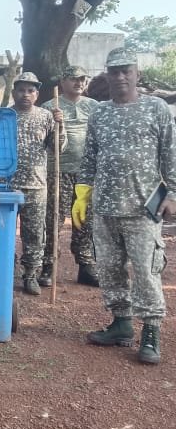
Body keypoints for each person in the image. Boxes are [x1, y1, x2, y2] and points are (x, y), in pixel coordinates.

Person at [76, 47, 176, 364]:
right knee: (109, 269)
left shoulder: (156, 108)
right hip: (105, 207)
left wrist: (172, 193)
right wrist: (82, 192)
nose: (120, 76)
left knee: (146, 271)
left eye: (126, 70)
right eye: (114, 71)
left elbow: (171, 153)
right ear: (106, 75)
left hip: (144, 207)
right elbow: (90, 156)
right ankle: (121, 324)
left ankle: (151, 333)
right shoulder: (100, 113)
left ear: (136, 74)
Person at [41, 65, 99, 287]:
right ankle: (48, 265)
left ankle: (85, 264)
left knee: (83, 219)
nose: (79, 83)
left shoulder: (94, 107)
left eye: (82, 79)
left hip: (86, 173)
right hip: (58, 171)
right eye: (74, 79)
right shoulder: (51, 106)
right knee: (53, 218)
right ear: (63, 81)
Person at [11, 72, 65, 295]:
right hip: (7, 186)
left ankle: (31, 274)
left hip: (36, 184)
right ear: (14, 92)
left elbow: (57, 148)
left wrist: (60, 126)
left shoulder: (46, 116)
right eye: (21, 90)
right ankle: (7, 269)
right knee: (4, 231)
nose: (25, 94)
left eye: (30, 90)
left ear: (37, 94)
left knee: (34, 233)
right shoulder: (4, 116)